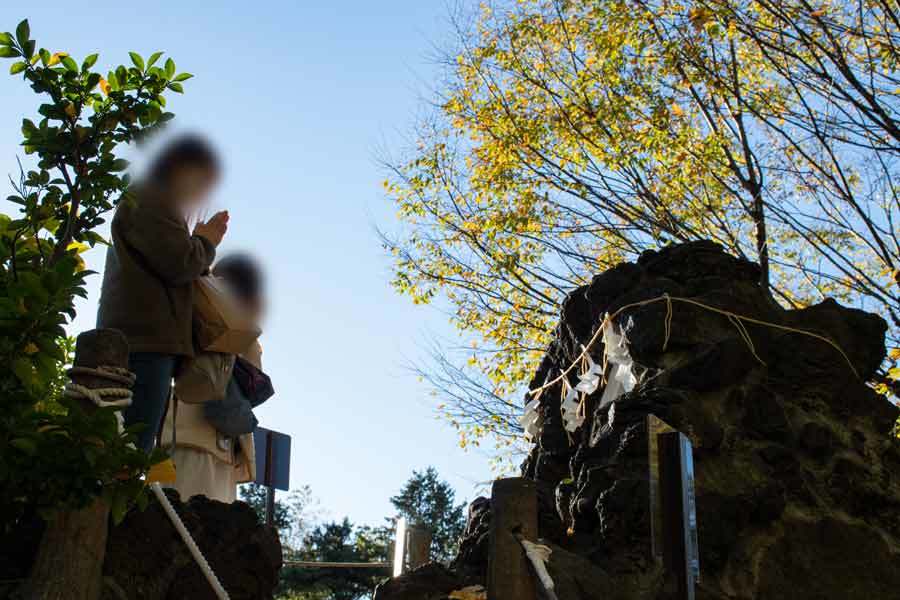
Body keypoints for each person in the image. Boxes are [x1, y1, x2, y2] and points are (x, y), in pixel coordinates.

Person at [97, 134, 228, 451]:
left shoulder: (150, 198)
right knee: (128, 451)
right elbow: (179, 262)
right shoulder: (152, 197)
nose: (202, 192)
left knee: (129, 446)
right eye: (205, 181)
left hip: (143, 339)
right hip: (144, 341)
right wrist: (206, 241)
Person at [161, 253, 266, 502]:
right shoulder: (240, 328)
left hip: (170, 438)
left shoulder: (186, 313)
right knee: (202, 532)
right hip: (212, 446)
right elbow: (253, 378)